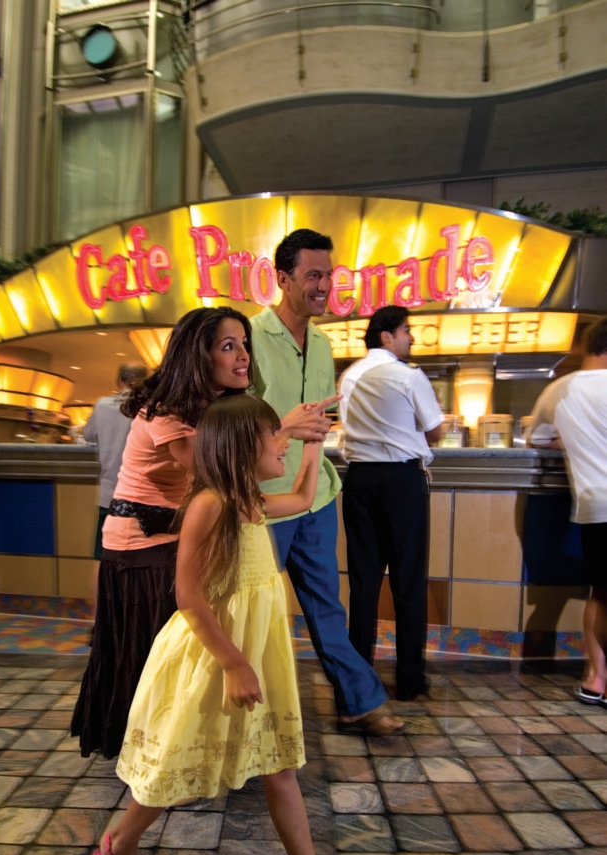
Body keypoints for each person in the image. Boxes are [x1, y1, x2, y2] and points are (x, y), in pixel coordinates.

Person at [90, 395, 396, 855]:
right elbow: (188, 595)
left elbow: (303, 497)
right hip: (215, 656)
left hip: (252, 652)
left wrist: (313, 445)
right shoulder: (209, 505)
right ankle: (117, 850)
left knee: (280, 764)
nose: (281, 443)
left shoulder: (249, 500)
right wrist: (233, 664)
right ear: (238, 446)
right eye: (272, 436)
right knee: (177, 765)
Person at [71, 306, 338, 759]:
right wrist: (284, 429)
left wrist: (303, 441)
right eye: (228, 346)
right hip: (144, 545)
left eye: (244, 344)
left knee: (191, 653)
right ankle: (158, 755)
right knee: (168, 658)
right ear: (198, 355)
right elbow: (221, 469)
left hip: (178, 535)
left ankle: (201, 749)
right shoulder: (169, 412)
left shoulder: (210, 410)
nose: (243, 356)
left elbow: (244, 487)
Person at [251, 229, 403, 735]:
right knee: (252, 610)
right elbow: (230, 422)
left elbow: (316, 421)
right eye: (312, 275)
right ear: (282, 278)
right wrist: (283, 427)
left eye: (329, 275)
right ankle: (240, 720)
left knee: (327, 609)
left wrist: (314, 441)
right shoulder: (249, 336)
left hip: (315, 496)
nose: (323, 286)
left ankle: (358, 702)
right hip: (265, 500)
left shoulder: (321, 342)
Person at [339, 306, 443, 701]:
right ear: (386, 335)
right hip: (401, 481)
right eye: (405, 330)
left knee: (363, 583)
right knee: (408, 582)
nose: (410, 337)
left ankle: (359, 681)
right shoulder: (408, 375)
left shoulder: (350, 376)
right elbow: (436, 432)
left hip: (360, 480)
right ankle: (410, 680)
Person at [529, 319, 607, 709]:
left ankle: (596, 678)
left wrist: (573, 439)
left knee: (600, 594)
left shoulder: (559, 389)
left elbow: (537, 439)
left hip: (595, 506)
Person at [84, 363, 148, 563]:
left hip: (110, 495)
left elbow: (89, 435)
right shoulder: (152, 408)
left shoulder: (102, 405)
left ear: (120, 381)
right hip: (142, 497)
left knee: (103, 557)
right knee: (140, 558)